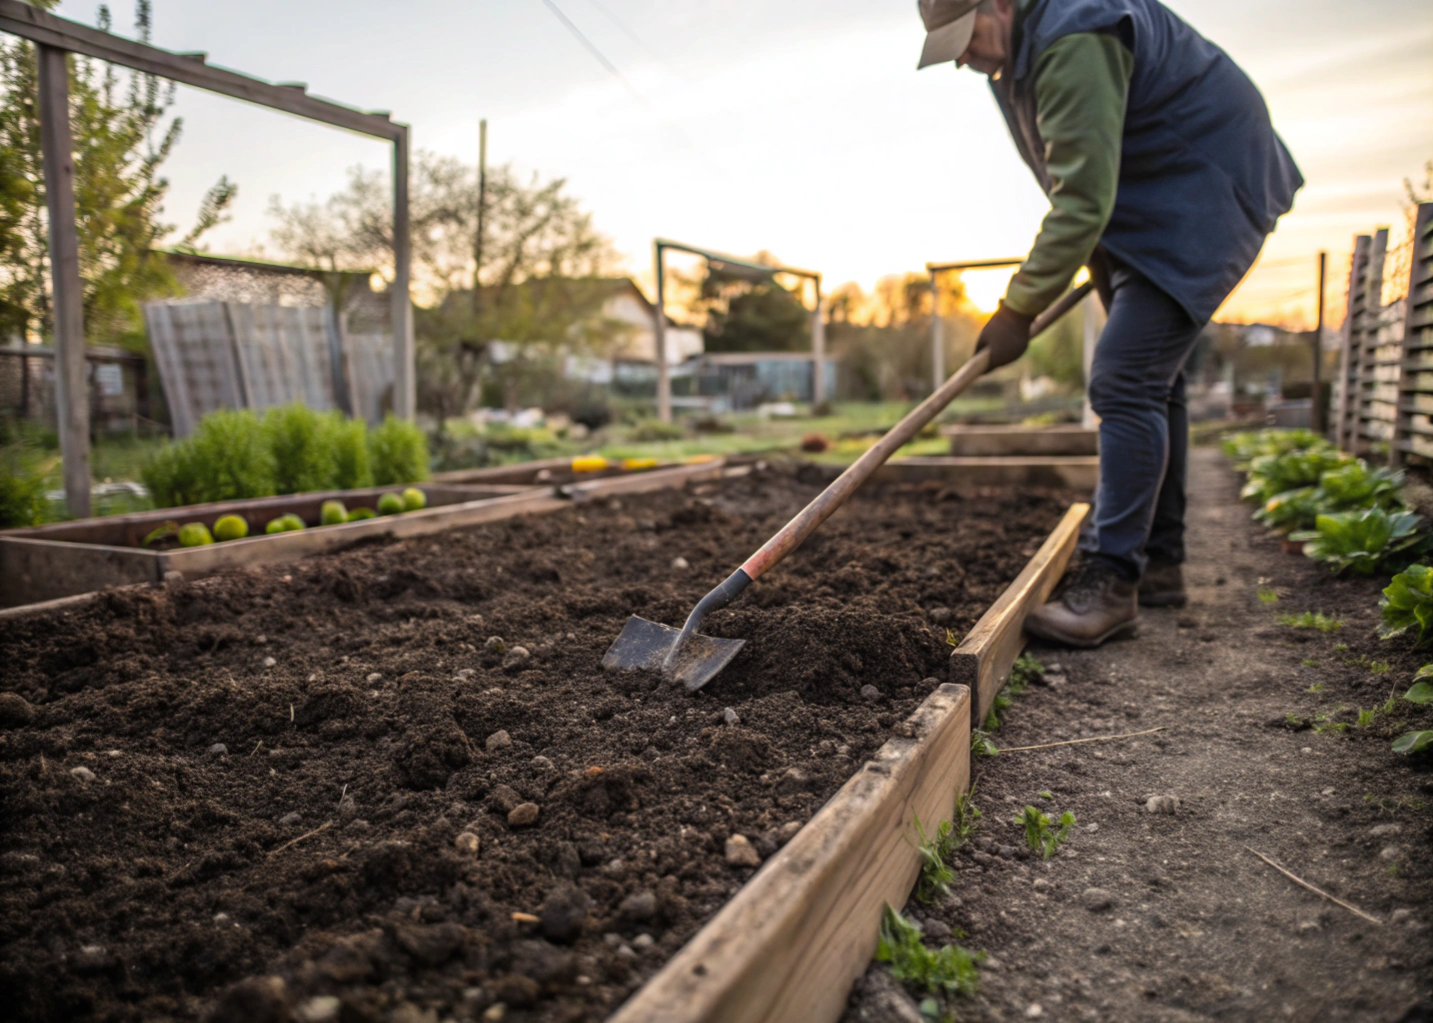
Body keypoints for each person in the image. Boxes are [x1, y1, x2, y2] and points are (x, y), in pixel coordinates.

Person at [917, 0, 1302, 646]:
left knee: (1124, 380)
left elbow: (1082, 197)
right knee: (1154, 379)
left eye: (967, 37)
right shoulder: (1014, 60)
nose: (962, 58)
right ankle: (1156, 564)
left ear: (1002, 5)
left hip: (1199, 190)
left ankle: (1112, 577)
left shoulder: (1073, 36)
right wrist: (1098, 264)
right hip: (1149, 206)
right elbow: (1070, 169)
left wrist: (1018, 307)